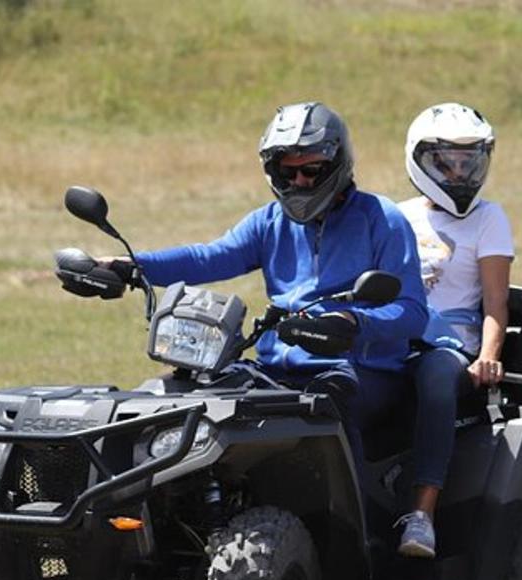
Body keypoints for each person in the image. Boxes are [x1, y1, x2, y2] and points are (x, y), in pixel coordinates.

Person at [77, 102, 428, 474]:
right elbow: (208, 257)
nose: (300, 182)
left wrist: (353, 322)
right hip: (275, 369)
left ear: (337, 163)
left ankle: (355, 529)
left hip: (358, 370)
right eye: (286, 171)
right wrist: (132, 267)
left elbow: (412, 311)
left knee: (326, 408)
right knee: (180, 399)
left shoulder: (381, 219)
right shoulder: (270, 221)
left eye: (312, 169)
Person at [394, 102, 515, 558]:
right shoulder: (395, 216)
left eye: (471, 161)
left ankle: (421, 515)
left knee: (434, 379)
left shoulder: (489, 219)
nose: (460, 172)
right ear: (420, 160)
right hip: (394, 334)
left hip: (450, 344)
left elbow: (495, 302)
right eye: (447, 161)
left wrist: (488, 355)